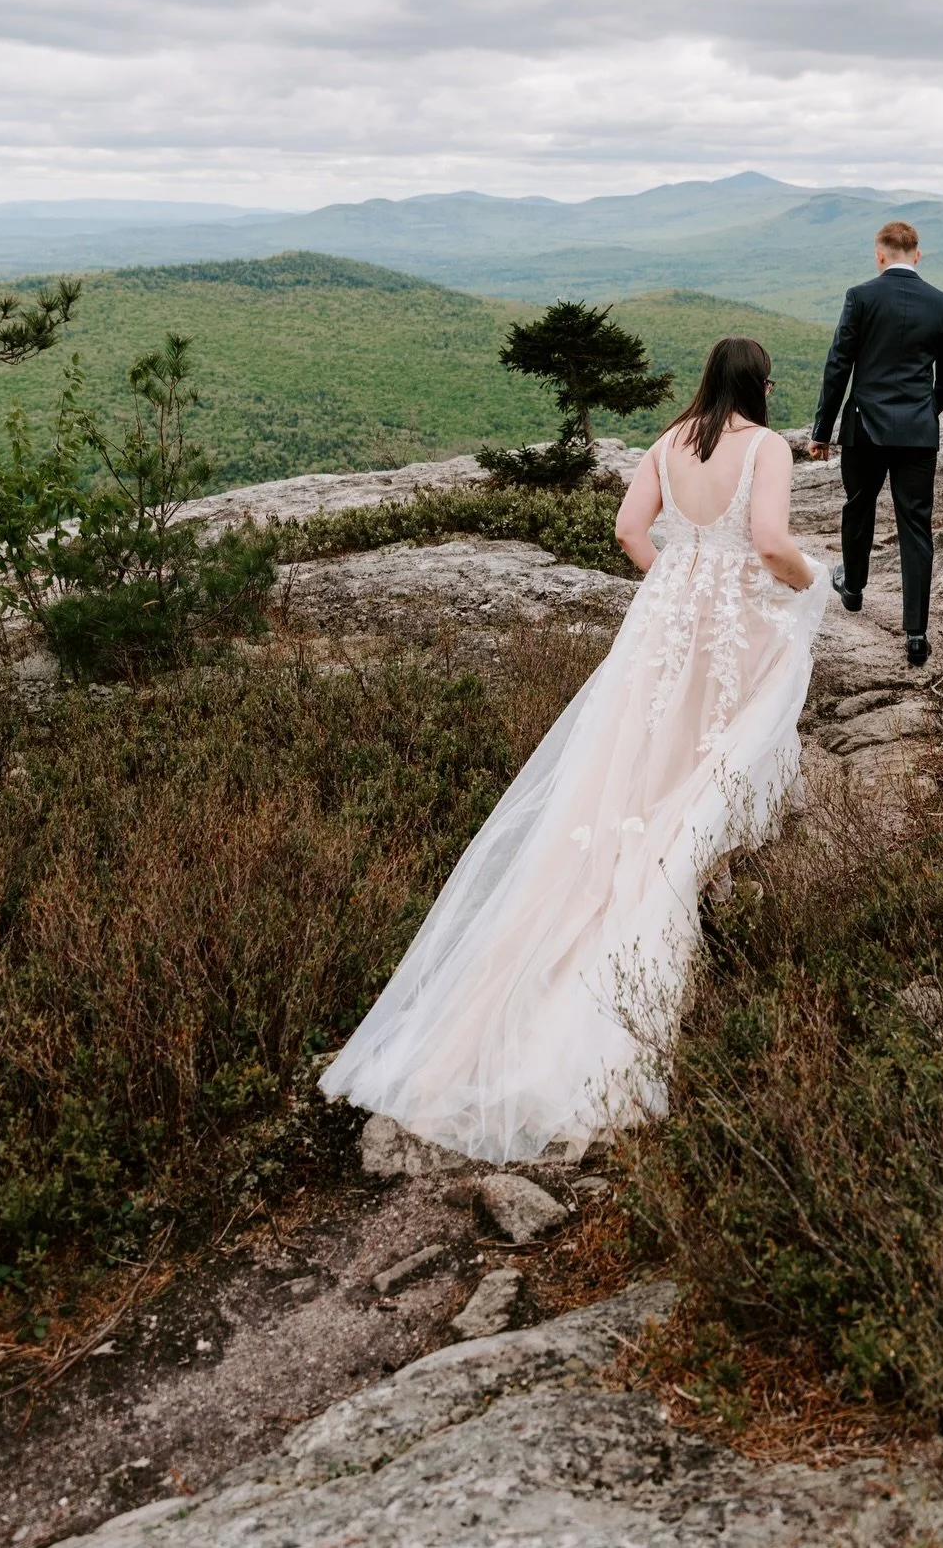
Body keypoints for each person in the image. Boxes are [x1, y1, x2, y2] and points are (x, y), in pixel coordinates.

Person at [320, 337, 827, 1163]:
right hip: (734, 622)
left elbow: (630, 530)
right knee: (715, 744)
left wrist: (677, 575)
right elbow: (771, 541)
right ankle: (693, 880)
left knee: (644, 755)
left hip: (665, 617)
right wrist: (815, 582)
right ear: (763, 387)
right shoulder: (766, 446)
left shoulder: (668, 442)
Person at [809, 219, 943, 668]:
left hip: (864, 427)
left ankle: (853, 587)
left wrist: (822, 431)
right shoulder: (942, 303)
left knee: (859, 505)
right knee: (916, 526)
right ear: (918, 255)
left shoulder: (861, 297)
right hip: (917, 434)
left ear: (879, 255)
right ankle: (916, 634)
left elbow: (838, 365)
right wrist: (923, 412)